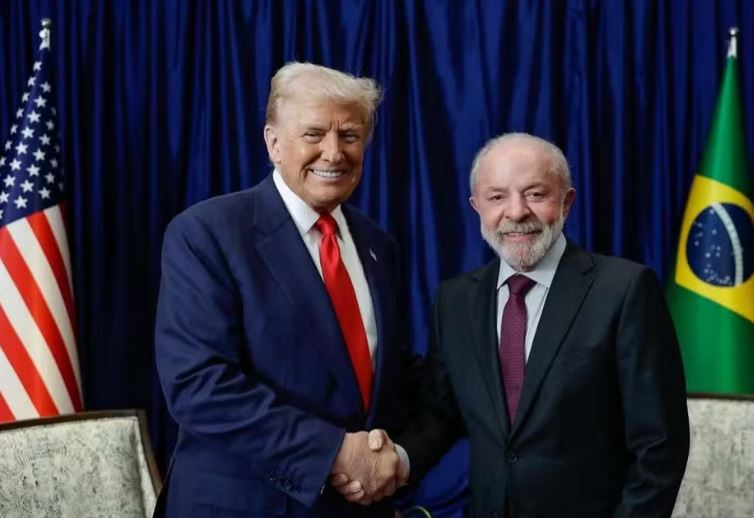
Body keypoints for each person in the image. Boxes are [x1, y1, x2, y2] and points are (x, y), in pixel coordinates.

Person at [336, 133, 690, 517]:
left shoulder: (625, 290)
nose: (517, 212)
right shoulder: (455, 301)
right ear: (477, 207)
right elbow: (441, 415)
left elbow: (659, 446)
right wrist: (397, 462)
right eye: (497, 197)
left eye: (536, 194)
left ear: (567, 201)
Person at [154, 62, 412, 517]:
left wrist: (391, 459)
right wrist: (334, 453)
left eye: (350, 136)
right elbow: (199, 384)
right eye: (314, 134)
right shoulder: (207, 233)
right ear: (273, 143)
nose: (333, 153)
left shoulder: (378, 245)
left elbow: (388, 380)